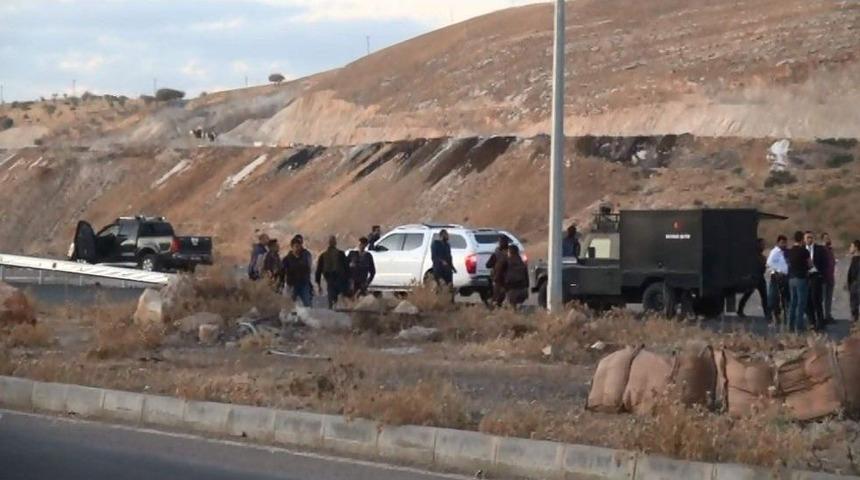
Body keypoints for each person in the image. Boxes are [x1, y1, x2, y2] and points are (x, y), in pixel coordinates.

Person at [738, 238, 770, 320]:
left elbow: (764, 268)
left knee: (764, 297)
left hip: (760, 278)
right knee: (747, 295)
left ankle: (767, 314)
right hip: (753, 278)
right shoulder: (753, 256)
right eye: (762, 244)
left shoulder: (762, 257)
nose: (763, 246)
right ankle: (740, 310)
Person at [787, 231, 811, 333]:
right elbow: (810, 264)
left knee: (793, 303)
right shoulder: (804, 251)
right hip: (801, 278)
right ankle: (799, 326)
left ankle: (790, 326)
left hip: (791, 278)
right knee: (801, 303)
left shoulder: (790, 251)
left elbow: (788, 264)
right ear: (802, 239)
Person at [315, 236, 349, 309]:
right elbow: (347, 268)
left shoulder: (323, 255)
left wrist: (318, 284)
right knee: (341, 301)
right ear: (335, 243)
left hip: (331, 280)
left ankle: (333, 313)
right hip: (339, 280)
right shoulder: (340, 254)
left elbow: (318, 271)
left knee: (333, 301)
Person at [805, 231, 828, 331]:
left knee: (816, 300)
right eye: (807, 237)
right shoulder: (802, 249)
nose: (809, 239)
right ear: (804, 239)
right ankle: (812, 322)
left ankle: (820, 322)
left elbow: (824, 263)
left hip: (816, 277)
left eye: (811, 237)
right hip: (805, 277)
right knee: (807, 301)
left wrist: (821, 275)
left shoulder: (820, 249)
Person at [282, 235, 314, 307]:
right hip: (292, 284)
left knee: (307, 304)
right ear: (292, 247)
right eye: (296, 246)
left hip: (303, 284)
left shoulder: (305, 256)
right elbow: (282, 272)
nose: (298, 248)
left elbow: (308, 269)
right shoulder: (287, 259)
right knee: (288, 304)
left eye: (299, 246)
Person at [766, 235, 790, 325]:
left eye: (785, 243)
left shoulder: (785, 252)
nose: (784, 244)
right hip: (776, 277)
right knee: (774, 298)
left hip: (784, 277)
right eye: (782, 243)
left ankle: (783, 317)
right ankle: (773, 317)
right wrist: (778, 271)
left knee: (784, 298)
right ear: (778, 243)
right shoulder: (775, 252)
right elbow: (769, 264)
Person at [485, 235, 510, 307]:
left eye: (501, 241)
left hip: (504, 277)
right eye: (499, 241)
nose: (500, 243)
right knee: (497, 294)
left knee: (499, 294)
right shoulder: (498, 252)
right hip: (499, 277)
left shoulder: (507, 252)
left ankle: (494, 306)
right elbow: (488, 264)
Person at [822, 232, 836, 324]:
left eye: (829, 237)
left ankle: (828, 315)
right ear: (823, 239)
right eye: (826, 238)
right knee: (824, 298)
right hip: (824, 278)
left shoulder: (830, 250)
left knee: (829, 297)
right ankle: (823, 316)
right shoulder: (822, 250)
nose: (828, 239)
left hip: (831, 277)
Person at [847, 240, 860, 323]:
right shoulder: (854, 259)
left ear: (856, 248)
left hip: (856, 286)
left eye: (851, 246)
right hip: (854, 285)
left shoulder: (858, 260)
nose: (850, 248)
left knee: (854, 305)